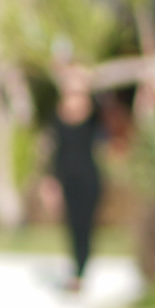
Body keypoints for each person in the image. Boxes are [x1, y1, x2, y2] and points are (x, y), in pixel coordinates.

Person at [50, 66, 103, 293]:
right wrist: (51, 181)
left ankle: (80, 274)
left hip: (88, 179)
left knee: (85, 227)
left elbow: (99, 104)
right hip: (67, 180)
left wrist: (85, 78)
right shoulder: (57, 114)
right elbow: (55, 151)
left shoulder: (92, 114)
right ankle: (76, 269)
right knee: (72, 227)